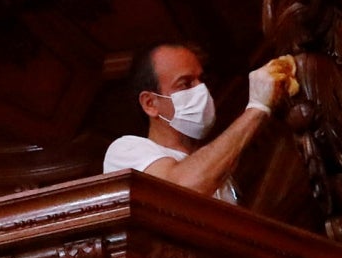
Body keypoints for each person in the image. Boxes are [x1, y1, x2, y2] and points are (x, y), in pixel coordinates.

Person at [103, 41, 295, 202]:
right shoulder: (125, 151)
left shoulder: (220, 173)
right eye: (185, 84)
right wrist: (257, 109)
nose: (202, 90)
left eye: (202, 80)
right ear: (150, 103)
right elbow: (179, 192)